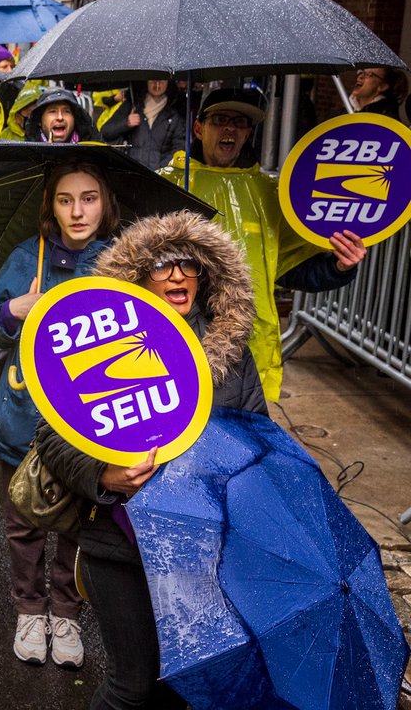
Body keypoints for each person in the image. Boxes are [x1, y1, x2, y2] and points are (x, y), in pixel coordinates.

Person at [36, 210, 268, 710]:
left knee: (183, 687)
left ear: (206, 275)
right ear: (139, 275)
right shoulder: (98, 339)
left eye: (190, 263)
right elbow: (50, 436)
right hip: (120, 546)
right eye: (163, 262)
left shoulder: (233, 351)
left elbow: (256, 440)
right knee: (132, 688)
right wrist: (104, 474)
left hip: (202, 552)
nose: (178, 274)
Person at [0, 160, 122, 669]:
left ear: (105, 204)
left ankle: (66, 609)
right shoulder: (26, 257)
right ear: (51, 206)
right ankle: (29, 610)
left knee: (79, 523)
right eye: (65, 199)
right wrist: (13, 312)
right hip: (24, 420)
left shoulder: (121, 263)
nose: (77, 211)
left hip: (90, 423)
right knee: (23, 522)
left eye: (89, 198)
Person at [159, 87, 367, 400]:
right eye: (220, 119)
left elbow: (291, 269)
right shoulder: (167, 186)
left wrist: (339, 266)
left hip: (251, 350)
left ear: (248, 133)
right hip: (177, 343)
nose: (230, 128)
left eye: (240, 122)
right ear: (199, 128)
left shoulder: (270, 195)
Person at [99, 80, 185, 170]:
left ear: (168, 83)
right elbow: (105, 131)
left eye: (162, 80)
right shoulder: (132, 105)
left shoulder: (176, 111)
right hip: (132, 172)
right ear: (146, 82)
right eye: (153, 80)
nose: (157, 84)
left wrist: (163, 168)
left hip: (159, 178)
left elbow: (179, 148)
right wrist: (126, 123)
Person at [24, 87, 102, 144]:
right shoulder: (28, 154)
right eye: (52, 111)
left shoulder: (92, 150)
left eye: (66, 111)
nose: (60, 117)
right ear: (39, 120)